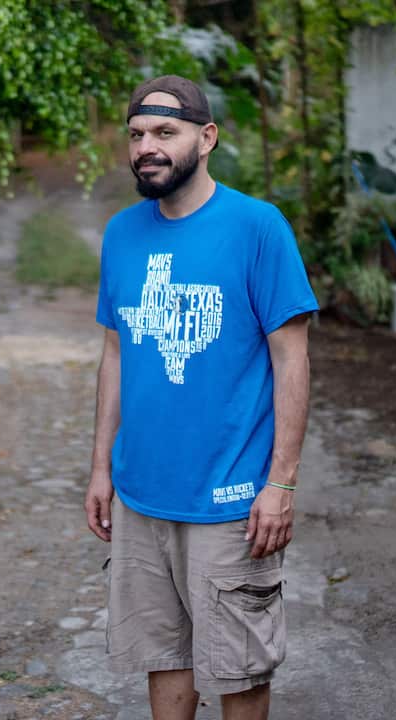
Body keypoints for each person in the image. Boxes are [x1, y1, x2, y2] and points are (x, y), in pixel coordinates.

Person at [85, 75, 318, 720]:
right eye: (136, 135)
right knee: (163, 654)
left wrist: (283, 483)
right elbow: (115, 353)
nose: (146, 148)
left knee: (238, 669)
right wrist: (102, 467)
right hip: (141, 495)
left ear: (206, 138)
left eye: (165, 132)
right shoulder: (122, 234)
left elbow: (291, 358)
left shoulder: (257, 228)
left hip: (230, 500)